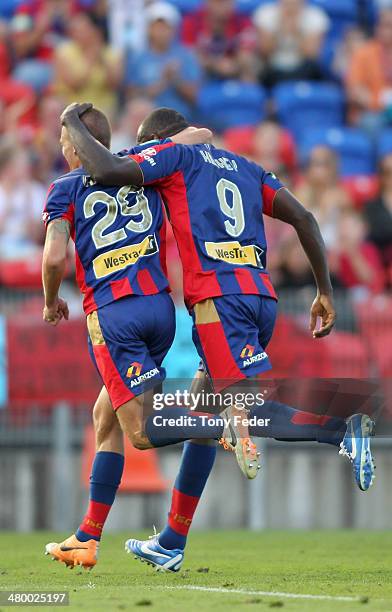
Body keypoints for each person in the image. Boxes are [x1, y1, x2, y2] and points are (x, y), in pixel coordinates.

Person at [62, 104, 376, 571]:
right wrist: (325, 292)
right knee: (203, 405)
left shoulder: (174, 158)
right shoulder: (249, 167)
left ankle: (341, 430)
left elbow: (107, 167)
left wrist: (69, 121)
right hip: (260, 297)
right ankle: (172, 541)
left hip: (218, 301)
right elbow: (306, 218)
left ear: (161, 142)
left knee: (241, 410)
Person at [42, 106, 250, 572]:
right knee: (106, 413)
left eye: (62, 139)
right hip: (160, 308)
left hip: (115, 316)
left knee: (139, 431)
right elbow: (201, 133)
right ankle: (87, 537)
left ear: (74, 146)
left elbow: (56, 257)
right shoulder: (141, 166)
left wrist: (50, 300)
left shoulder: (62, 190)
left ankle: (221, 426)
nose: (60, 146)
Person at [124, 2, 201, 120]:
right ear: (148, 29)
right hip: (147, 120)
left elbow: (194, 96)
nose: (161, 32)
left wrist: (176, 79)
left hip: (180, 118)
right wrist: (162, 82)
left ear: (174, 30)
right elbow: (130, 95)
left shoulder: (186, 56)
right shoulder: (138, 58)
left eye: (166, 27)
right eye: (157, 26)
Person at [253, 0, 329, 87]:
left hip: (303, 68)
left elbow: (311, 55)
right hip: (272, 67)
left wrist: (296, 31)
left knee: (314, 68)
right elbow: (265, 51)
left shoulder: (316, 16)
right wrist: (280, 27)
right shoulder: (266, 13)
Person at [181, 0, 256, 82]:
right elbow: (189, 54)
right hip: (205, 68)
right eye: (218, 2)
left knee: (250, 67)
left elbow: (247, 52)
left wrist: (234, 64)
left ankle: (247, 93)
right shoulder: (192, 21)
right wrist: (215, 64)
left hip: (235, 66)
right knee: (190, 67)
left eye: (227, 2)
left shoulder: (242, 21)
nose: (222, 6)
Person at [346, 8, 392, 133]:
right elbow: (355, 92)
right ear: (377, 27)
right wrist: (381, 102)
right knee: (371, 123)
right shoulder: (363, 54)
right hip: (372, 113)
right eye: (386, 25)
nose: (389, 30)